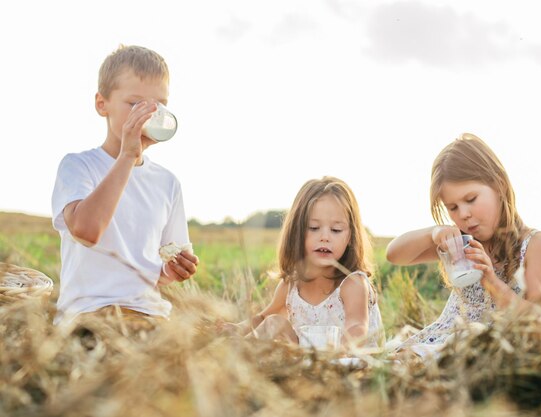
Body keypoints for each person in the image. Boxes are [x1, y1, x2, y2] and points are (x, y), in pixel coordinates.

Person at [51, 45, 199, 324]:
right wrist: (128, 156)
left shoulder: (167, 183)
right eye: (135, 104)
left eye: (158, 106)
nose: (147, 116)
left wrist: (174, 270)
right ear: (101, 104)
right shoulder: (78, 166)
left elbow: (159, 270)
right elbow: (86, 231)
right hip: (90, 314)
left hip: (149, 315)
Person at [386, 133, 541, 352]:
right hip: (443, 343)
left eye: (471, 199)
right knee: (389, 362)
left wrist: (493, 284)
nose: (464, 214)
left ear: (499, 185)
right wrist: (434, 232)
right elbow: (394, 254)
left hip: (489, 353)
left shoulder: (534, 246)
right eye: (453, 208)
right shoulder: (460, 244)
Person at [226, 177, 385, 349]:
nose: (325, 237)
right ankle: (237, 355)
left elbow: (357, 325)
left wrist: (343, 351)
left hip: (349, 362)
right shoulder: (291, 285)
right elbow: (263, 318)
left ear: (350, 237)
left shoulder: (353, 283)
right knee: (273, 323)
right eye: (314, 228)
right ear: (297, 232)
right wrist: (237, 329)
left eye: (336, 230)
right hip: (308, 364)